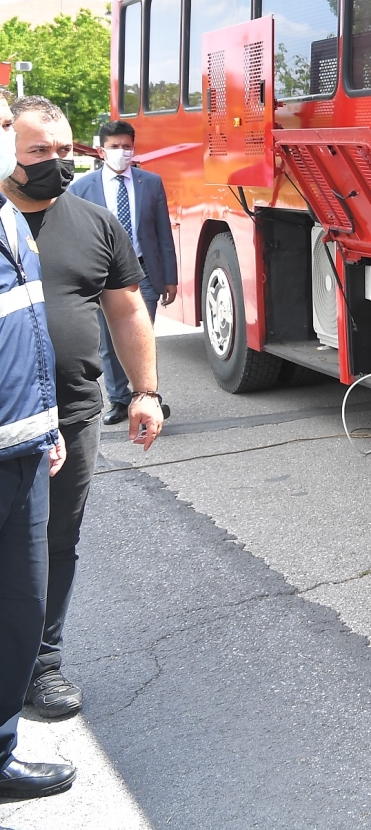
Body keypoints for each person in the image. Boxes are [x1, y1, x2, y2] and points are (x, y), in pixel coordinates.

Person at [4, 99, 161, 724]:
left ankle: (42, 661)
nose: (55, 162)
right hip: (6, 421)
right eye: (38, 151)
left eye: (63, 150)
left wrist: (145, 391)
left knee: (56, 543)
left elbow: (126, 310)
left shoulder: (96, 222)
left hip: (73, 415)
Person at [0, 93, 74, 802]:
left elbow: (26, 335)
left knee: (21, 613)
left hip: (23, 454)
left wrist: (47, 423)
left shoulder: (12, 225)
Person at [72, 120, 177, 427]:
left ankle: (145, 396)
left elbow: (162, 233)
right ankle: (118, 399)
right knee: (108, 339)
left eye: (126, 146)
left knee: (141, 336)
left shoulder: (151, 182)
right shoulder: (82, 188)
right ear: (101, 150)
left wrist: (169, 277)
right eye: (115, 147)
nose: (121, 152)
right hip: (103, 274)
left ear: (134, 148)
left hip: (143, 271)